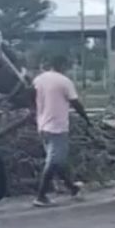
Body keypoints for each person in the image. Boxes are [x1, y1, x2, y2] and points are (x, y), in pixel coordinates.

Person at [32, 54, 91, 207]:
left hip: (42, 126)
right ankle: (41, 196)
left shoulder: (39, 79)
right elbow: (76, 103)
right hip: (57, 127)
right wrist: (86, 119)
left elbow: (31, 97)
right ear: (64, 66)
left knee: (58, 161)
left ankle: (73, 189)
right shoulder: (65, 82)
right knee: (54, 161)